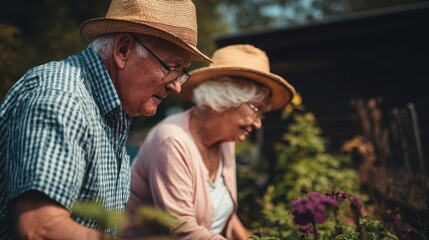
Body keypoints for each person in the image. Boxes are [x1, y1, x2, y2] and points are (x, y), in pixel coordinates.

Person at [0, 0, 211, 239]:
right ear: (123, 50)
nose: (176, 86)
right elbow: (40, 227)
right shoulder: (62, 99)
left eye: (182, 72)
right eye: (172, 66)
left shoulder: (114, 110)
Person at [126, 44, 296, 239]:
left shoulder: (225, 141)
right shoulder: (171, 141)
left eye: (262, 116)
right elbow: (181, 232)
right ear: (224, 99)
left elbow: (224, 215)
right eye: (256, 109)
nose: (258, 124)